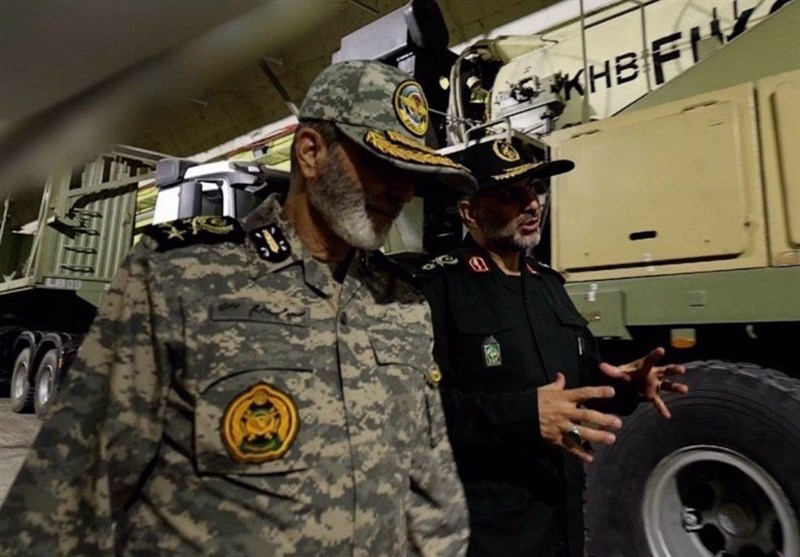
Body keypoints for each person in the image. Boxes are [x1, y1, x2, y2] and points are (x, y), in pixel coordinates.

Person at [0, 60, 478, 556]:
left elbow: (430, 483)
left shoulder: (403, 303)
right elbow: (65, 498)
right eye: (381, 166)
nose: (402, 191)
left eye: (411, 174)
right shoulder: (181, 276)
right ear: (310, 152)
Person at [419, 138, 688, 557]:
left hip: (562, 525)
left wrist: (628, 386)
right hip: (489, 535)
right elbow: (421, 415)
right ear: (469, 213)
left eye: (534, 190)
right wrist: (524, 416)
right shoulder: (440, 290)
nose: (532, 205)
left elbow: (579, 384)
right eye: (510, 194)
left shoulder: (549, 285)